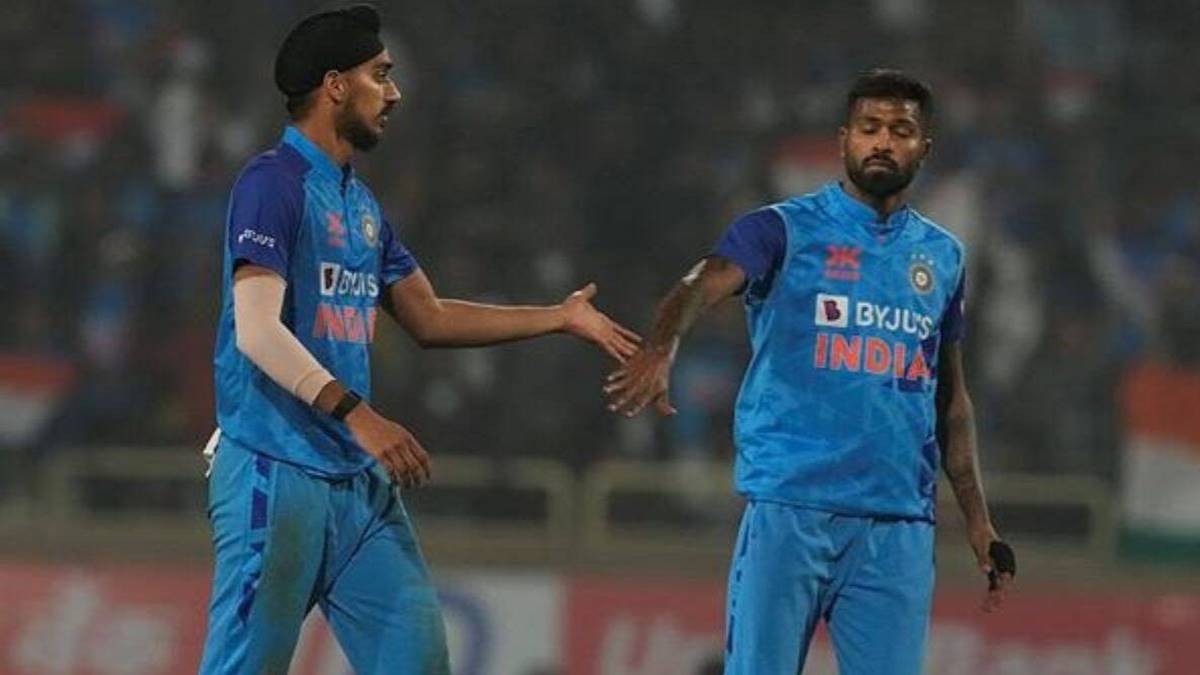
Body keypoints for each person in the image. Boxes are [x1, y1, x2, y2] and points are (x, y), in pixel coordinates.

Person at [199, 6, 640, 673]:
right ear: (335, 85)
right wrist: (360, 416)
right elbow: (257, 332)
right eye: (380, 75)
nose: (395, 93)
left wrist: (558, 316)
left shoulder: (360, 205)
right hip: (274, 468)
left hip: (354, 484)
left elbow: (428, 317)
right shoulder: (272, 183)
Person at [605, 69, 1016, 675]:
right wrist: (662, 343)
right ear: (844, 139)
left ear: (924, 148)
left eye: (900, 130)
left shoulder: (944, 257)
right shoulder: (781, 230)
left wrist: (979, 522)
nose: (883, 142)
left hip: (897, 525)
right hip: (790, 510)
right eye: (870, 128)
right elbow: (703, 282)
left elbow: (950, 399)